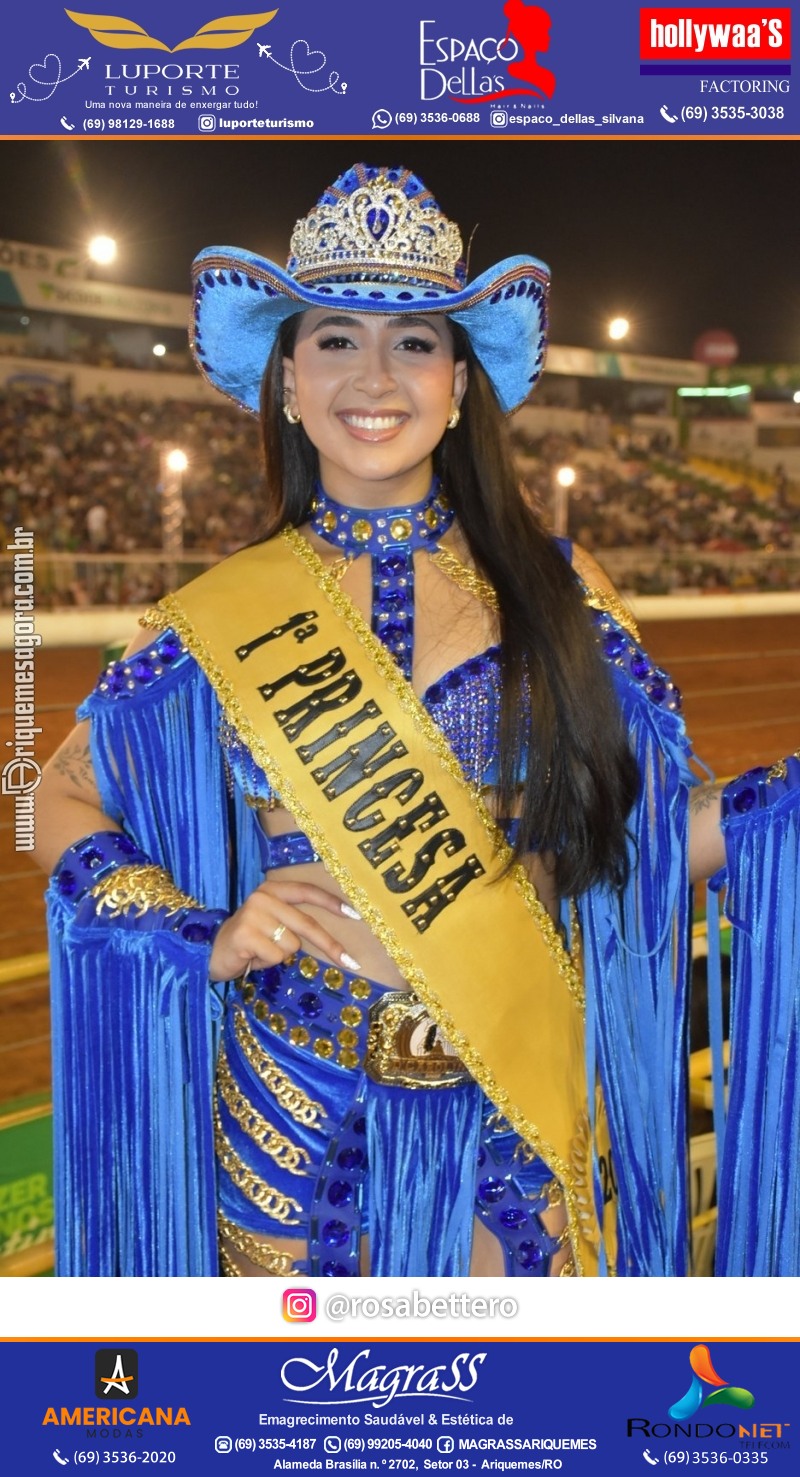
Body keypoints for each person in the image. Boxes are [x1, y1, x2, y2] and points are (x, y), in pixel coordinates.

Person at [36, 162, 800, 1279]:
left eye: (414, 340)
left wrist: (773, 809)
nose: (374, 374)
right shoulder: (213, 617)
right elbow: (48, 794)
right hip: (279, 1120)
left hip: (507, 1103)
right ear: (288, 381)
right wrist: (201, 931)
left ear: (455, 384)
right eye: (334, 339)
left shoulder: (555, 588)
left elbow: (631, 840)